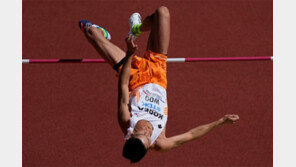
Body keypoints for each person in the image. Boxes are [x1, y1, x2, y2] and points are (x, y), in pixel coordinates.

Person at [78, 6, 239, 163]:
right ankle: (136, 29)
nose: (148, 131)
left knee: (89, 30)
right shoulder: (160, 142)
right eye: (148, 137)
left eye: (143, 133)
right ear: (149, 146)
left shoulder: (126, 119)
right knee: (162, 12)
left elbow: (123, 83)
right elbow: (191, 135)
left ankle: (134, 30)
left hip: (134, 74)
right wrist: (220, 122)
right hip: (158, 72)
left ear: (133, 133)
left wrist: (130, 53)